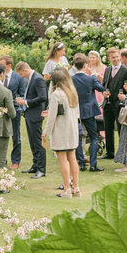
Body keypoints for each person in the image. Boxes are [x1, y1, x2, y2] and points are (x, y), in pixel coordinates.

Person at [44, 67, 81, 197]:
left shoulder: (57, 94)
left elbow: (52, 117)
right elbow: (76, 113)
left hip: (61, 130)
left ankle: (66, 189)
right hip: (72, 129)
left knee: (63, 160)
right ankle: (76, 186)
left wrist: (45, 132)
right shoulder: (72, 92)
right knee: (72, 158)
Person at [71, 53, 105, 172]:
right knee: (94, 137)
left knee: (78, 138)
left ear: (74, 65)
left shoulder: (71, 79)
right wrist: (96, 77)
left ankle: (80, 163)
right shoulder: (90, 78)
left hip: (76, 111)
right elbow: (101, 88)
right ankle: (93, 164)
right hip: (89, 111)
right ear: (85, 65)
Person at [101, 46, 127, 160]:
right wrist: (104, 92)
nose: (115, 59)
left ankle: (123, 153)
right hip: (108, 104)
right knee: (108, 129)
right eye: (113, 57)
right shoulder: (108, 69)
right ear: (109, 58)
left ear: (120, 56)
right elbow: (104, 84)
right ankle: (109, 152)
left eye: (117, 57)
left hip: (120, 105)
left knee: (121, 130)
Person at [18, 61, 47, 178]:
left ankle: (41, 169)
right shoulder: (31, 78)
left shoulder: (38, 79)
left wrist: (26, 102)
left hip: (35, 114)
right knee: (32, 142)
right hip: (29, 113)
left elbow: (43, 97)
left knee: (38, 142)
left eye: (21, 74)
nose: (21, 77)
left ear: (25, 70)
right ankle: (35, 165)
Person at [1, 54, 25, 169]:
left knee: (16, 136)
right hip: (0, 111)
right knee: (1, 136)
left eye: (2, 65)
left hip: (14, 110)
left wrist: (19, 109)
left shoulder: (18, 78)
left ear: (9, 65)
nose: (0, 67)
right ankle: (2, 160)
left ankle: (16, 161)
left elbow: (21, 94)